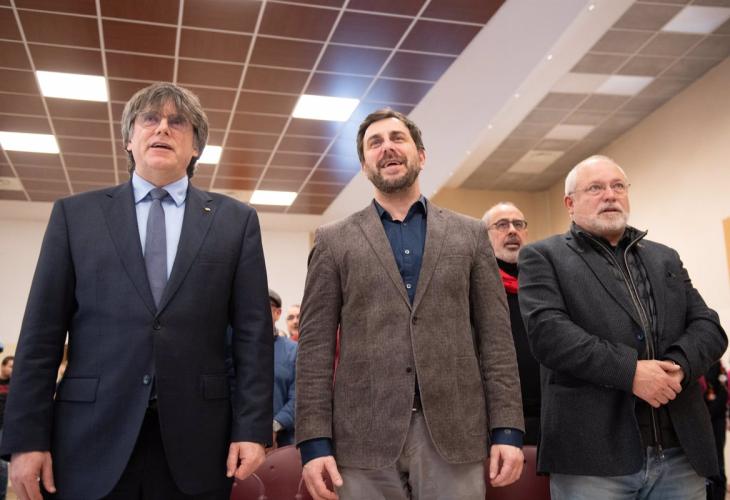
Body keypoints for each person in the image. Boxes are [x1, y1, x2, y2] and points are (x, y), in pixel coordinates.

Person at [0, 82, 273, 500]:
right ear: (129, 139)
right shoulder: (75, 216)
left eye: (177, 122)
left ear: (196, 147)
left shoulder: (235, 222)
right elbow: (41, 334)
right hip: (89, 439)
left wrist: (252, 429)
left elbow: (253, 338)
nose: (162, 128)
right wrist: (26, 439)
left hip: (198, 443)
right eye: (150, 119)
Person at [296, 108, 524, 500]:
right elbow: (314, 348)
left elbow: (496, 341)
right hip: (362, 438)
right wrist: (314, 442)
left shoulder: (470, 235)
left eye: (397, 138)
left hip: (456, 432)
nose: (387, 148)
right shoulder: (333, 241)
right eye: (375, 143)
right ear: (364, 165)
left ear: (421, 155)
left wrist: (507, 428)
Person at [518, 155, 727, 500]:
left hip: (680, 453)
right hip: (592, 459)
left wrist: (677, 367)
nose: (610, 195)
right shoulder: (544, 257)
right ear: (570, 204)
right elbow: (549, 335)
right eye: (595, 188)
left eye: (618, 186)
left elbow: (708, 326)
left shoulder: (665, 257)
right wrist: (631, 373)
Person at [483, 202, 540, 445]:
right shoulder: (477, 285)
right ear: (484, 236)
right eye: (502, 225)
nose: (512, 230)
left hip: (549, 410)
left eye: (518, 224)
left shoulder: (544, 282)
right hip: (500, 417)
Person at [268, 290, 297, 448]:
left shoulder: (293, 350)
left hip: (283, 445)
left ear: (277, 313)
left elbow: (299, 397)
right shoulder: (238, 350)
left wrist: (275, 426)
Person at [701, 361, 728, 500]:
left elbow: (723, 395)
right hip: (702, 421)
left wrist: (707, 415)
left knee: (717, 463)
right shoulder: (699, 365)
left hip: (716, 421)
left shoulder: (718, 368)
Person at [0, 356, 13, 500]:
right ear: (3, 366)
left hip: (5, 428)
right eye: (10, 366)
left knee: (2, 464)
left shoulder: (13, 385)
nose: (12, 370)